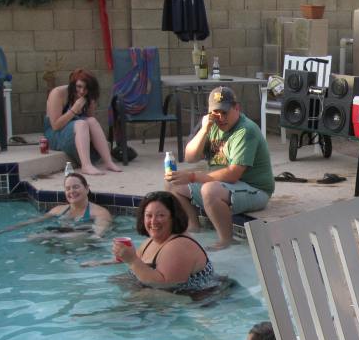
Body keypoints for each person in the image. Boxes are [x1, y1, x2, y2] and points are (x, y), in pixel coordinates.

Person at [165, 86, 274, 250]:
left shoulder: (246, 130)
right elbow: (190, 157)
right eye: (216, 113)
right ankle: (193, 227)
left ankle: (226, 240)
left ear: (236, 108)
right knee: (172, 183)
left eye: (225, 112)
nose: (221, 118)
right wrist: (204, 130)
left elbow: (233, 174)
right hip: (225, 186)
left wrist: (193, 177)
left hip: (255, 190)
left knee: (210, 190)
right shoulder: (211, 126)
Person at [112, 191, 216, 291]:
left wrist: (132, 260)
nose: (153, 221)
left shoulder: (178, 246)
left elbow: (165, 286)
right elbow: (137, 269)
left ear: (173, 218)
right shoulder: (150, 242)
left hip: (195, 298)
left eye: (161, 215)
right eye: (149, 216)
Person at [44, 69, 122, 176]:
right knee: (81, 123)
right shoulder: (58, 93)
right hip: (55, 134)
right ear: (73, 84)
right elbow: (55, 125)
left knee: (91, 121)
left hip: (77, 132)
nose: (82, 91)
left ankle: (108, 162)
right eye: (79, 86)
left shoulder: (88, 96)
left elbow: (90, 120)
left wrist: (90, 104)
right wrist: (74, 109)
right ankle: (86, 165)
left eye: (86, 88)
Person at [0, 173, 111, 238]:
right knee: (33, 237)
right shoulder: (59, 210)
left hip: (82, 244)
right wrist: (6, 229)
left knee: (71, 239)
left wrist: (59, 236)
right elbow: (33, 221)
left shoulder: (100, 213)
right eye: (68, 189)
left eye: (76, 187)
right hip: (61, 239)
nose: (72, 191)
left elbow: (98, 234)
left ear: (86, 188)